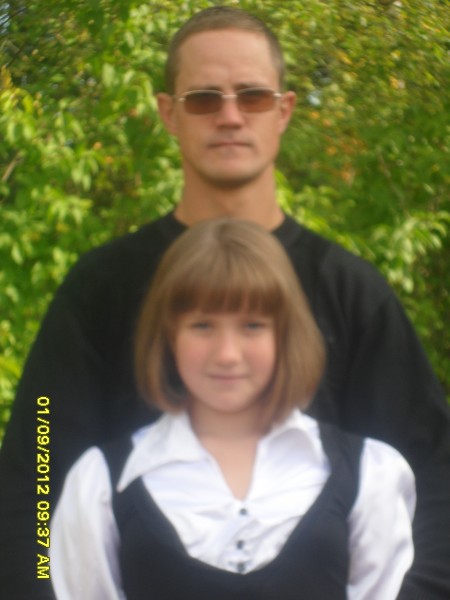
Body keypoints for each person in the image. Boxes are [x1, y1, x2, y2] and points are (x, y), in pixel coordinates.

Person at [0, 6, 448, 599]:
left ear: (284, 110)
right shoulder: (99, 287)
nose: (230, 116)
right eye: (204, 98)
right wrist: (35, 588)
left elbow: (432, 475)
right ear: (169, 113)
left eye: (253, 96)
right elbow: (38, 468)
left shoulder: (352, 291)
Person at [49, 218, 416, 600]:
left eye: (252, 326)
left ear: (284, 334)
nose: (227, 354)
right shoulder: (100, 484)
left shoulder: (368, 474)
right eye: (202, 326)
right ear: (170, 335)